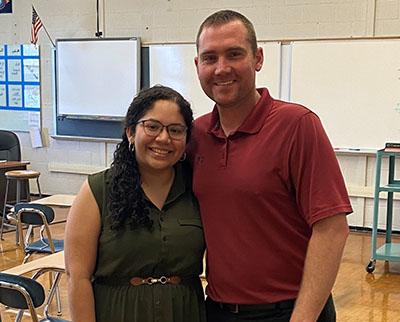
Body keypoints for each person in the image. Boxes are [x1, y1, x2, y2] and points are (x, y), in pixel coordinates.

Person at [188, 9, 353, 322]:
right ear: (198, 66)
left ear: (258, 58)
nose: (221, 69)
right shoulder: (195, 135)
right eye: (210, 58)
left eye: (234, 54)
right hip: (217, 310)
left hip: (291, 312)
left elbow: (332, 230)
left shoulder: (297, 125)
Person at [65, 85, 206, 322]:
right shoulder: (98, 190)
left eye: (175, 130)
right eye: (152, 126)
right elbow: (77, 278)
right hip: (117, 313)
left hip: (185, 312)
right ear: (131, 132)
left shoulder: (198, 189)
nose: (163, 138)